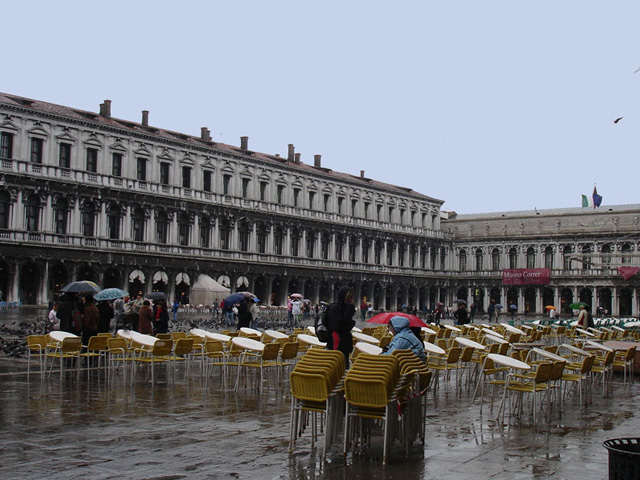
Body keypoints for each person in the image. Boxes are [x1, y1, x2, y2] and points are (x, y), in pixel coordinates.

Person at [325, 286, 356, 367]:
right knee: (335, 364)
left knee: (345, 364)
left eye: (351, 297)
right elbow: (336, 325)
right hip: (336, 340)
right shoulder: (335, 308)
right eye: (349, 297)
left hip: (345, 341)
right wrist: (350, 323)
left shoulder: (348, 308)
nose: (350, 299)